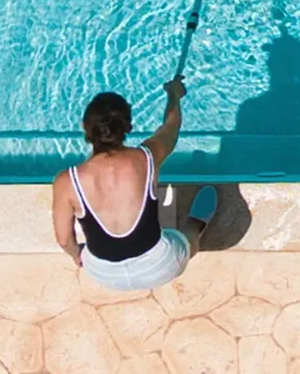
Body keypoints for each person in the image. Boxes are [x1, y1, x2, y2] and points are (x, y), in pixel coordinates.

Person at [51, 74, 207, 290]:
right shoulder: (147, 157)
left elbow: (63, 240)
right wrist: (174, 95)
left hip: (105, 276)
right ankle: (195, 226)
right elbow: (171, 126)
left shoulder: (67, 181)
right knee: (185, 240)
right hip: (159, 266)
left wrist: (77, 255)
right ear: (128, 127)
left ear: (85, 128)